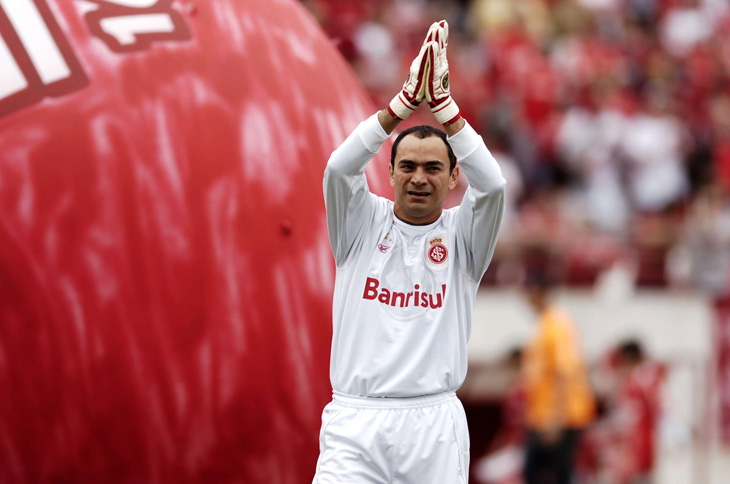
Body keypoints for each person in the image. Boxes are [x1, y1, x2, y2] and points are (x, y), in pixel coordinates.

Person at [313, 20, 506, 484]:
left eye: (433, 167)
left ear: (453, 176)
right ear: (391, 172)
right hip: (355, 423)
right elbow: (339, 168)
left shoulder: (464, 237)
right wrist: (398, 107)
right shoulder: (361, 224)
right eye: (409, 166)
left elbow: (494, 185)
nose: (420, 177)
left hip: (432, 427)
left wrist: (446, 111)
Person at [522, 271, 595, 484]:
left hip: (557, 416)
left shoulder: (557, 325)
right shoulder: (546, 322)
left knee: (552, 473)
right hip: (543, 414)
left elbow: (565, 374)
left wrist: (555, 419)